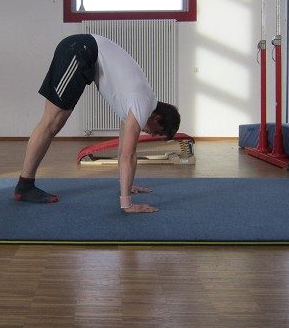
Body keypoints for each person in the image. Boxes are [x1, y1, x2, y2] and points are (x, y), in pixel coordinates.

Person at [14, 33, 180, 213]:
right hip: (81, 50)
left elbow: (123, 147)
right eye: (157, 132)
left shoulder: (142, 102)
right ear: (157, 118)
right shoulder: (142, 104)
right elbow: (129, 156)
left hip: (84, 53)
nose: (152, 135)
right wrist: (127, 205)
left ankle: (25, 185)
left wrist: (126, 185)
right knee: (52, 122)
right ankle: (25, 186)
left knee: (54, 122)